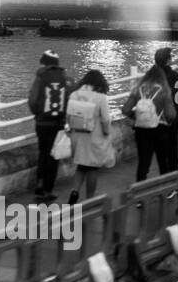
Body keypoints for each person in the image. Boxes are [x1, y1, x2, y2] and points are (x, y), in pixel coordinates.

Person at [26, 50, 70, 201]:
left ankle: (39, 186)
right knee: (53, 156)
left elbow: (32, 99)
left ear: (44, 62)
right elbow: (69, 97)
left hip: (42, 122)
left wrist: (37, 113)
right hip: (58, 122)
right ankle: (48, 189)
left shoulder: (41, 76)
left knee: (43, 153)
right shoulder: (64, 77)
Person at [122, 62, 177, 181]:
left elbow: (125, 109)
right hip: (160, 129)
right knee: (163, 161)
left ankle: (140, 193)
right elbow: (171, 115)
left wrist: (136, 116)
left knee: (143, 163)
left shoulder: (138, 89)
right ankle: (166, 189)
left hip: (141, 129)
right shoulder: (164, 91)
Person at [65, 70, 114, 203]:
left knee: (81, 166)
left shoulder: (74, 95)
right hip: (94, 138)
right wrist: (106, 133)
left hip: (77, 137)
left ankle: (74, 192)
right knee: (92, 168)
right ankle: (89, 200)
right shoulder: (100, 98)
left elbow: (68, 116)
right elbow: (105, 120)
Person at [154, 47, 178, 175]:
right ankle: (174, 179)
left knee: (161, 154)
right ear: (169, 60)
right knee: (173, 150)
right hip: (172, 120)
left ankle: (163, 180)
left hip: (156, 121)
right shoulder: (176, 77)